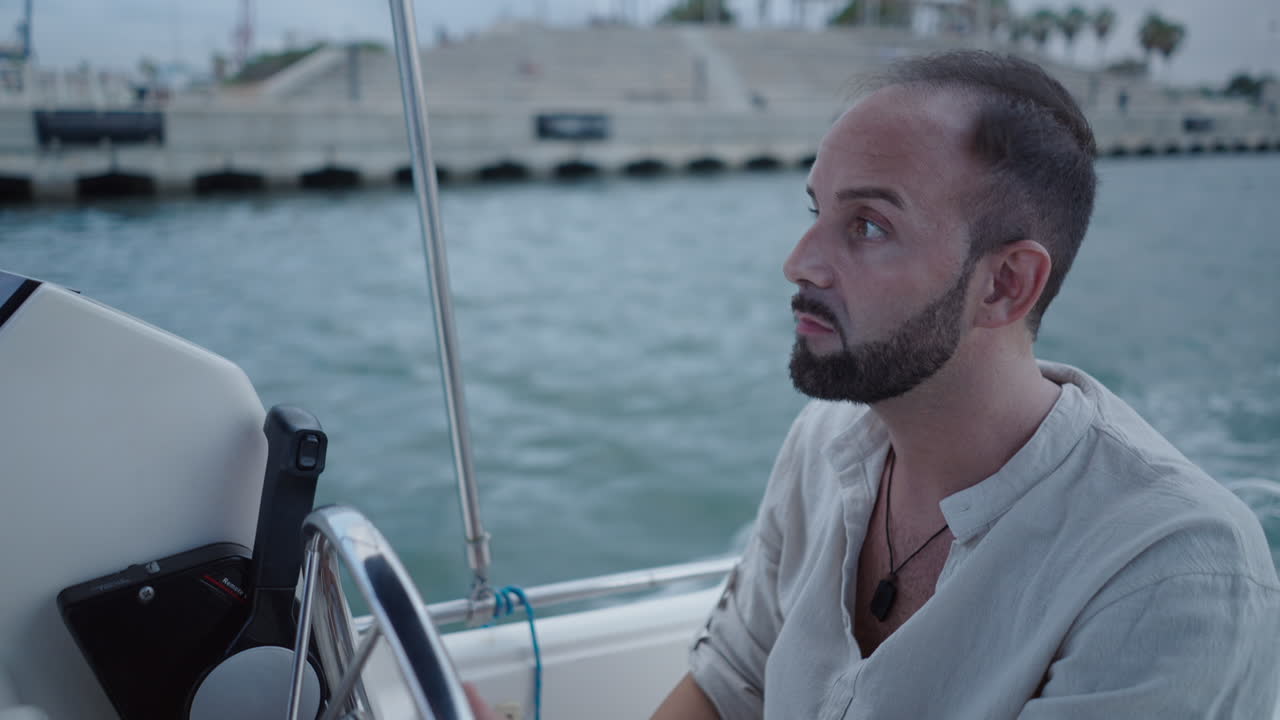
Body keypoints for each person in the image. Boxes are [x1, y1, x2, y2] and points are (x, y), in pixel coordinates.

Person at [645, 50, 1280, 718]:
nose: (799, 264)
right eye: (816, 213)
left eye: (867, 225)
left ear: (1004, 285)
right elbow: (728, 691)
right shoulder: (822, 446)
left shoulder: (1170, 574)